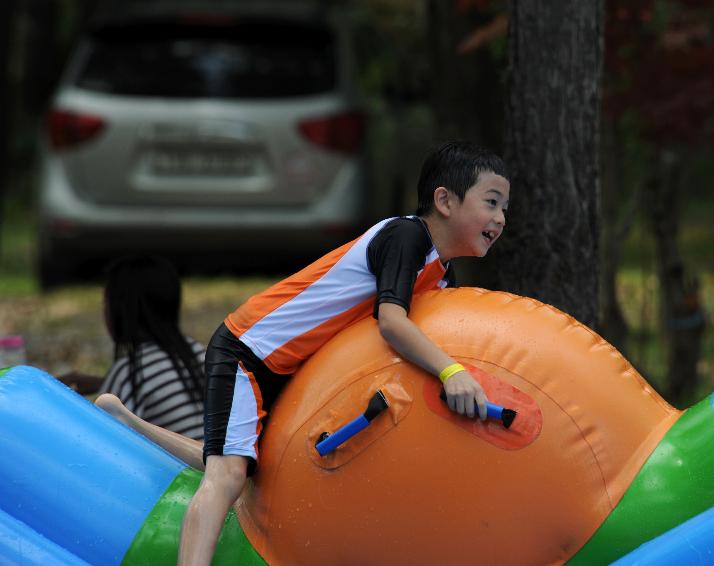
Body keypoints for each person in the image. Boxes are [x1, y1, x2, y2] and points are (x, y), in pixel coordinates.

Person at [97, 141, 510, 566]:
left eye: (504, 209)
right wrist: (451, 371)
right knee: (228, 474)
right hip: (249, 349)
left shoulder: (441, 271)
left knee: (246, 466)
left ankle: (127, 422)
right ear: (444, 200)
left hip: (295, 369)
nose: (499, 219)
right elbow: (392, 322)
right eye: (491, 202)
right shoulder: (406, 236)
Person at [70, 255, 206, 440]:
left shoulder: (131, 373)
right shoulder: (199, 354)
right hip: (214, 464)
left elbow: (100, 438)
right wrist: (103, 383)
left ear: (120, 311)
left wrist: (65, 400)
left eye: (106, 303)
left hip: (180, 468)